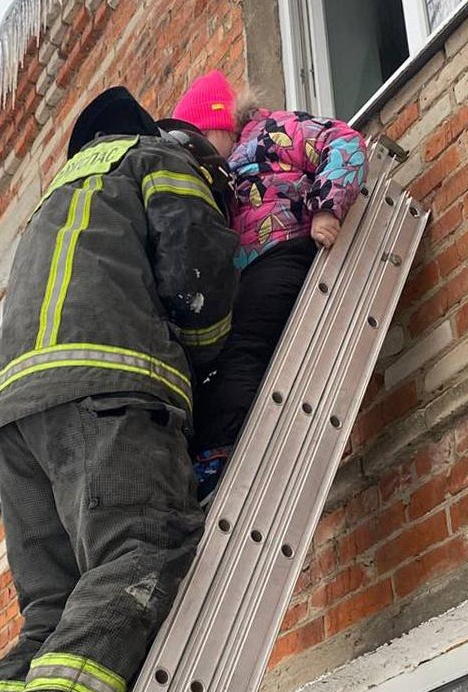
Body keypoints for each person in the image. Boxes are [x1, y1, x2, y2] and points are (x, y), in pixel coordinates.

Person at [0, 86, 239, 692]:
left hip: (13, 423)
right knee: (142, 548)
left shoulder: (56, 197)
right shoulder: (156, 160)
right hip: (106, 390)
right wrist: (208, 358)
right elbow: (197, 273)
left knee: (51, 616)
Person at [172, 70, 369, 505]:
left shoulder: (273, 132)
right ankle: (202, 453)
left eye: (202, 139)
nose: (198, 153)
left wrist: (326, 209)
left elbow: (345, 142)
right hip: (240, 280)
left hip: (282, 251)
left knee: (242, 347)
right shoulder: (212, 177)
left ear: (221, 123)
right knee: (213, 357)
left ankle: (220, 453)